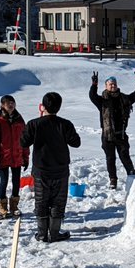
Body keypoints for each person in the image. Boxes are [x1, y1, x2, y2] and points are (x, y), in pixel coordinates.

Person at [19, 92, 82, 242]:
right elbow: (76, 142)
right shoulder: (65, 124)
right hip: (60, 170)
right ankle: (54, 233)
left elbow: (23, 142)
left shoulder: (34, 123)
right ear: (59, 107)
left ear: (43, 106)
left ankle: (42, 234)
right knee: (58, 202)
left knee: (41, 200)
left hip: (41, 170)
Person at [90, 70, 135, 189]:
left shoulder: (123, 99)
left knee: (125, 156)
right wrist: (94, 85)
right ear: (106, 86)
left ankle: (131, 174)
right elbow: (92, 96)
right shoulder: (102, 101)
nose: (113, 86)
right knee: (110, 158)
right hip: (107, 135)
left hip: (121, 134)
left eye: (114, 83)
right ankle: (113, 179)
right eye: (110, 84)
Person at [0, 95, 29, 218]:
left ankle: (14, 205)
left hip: (16, 155)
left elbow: (24, 139)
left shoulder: (19, 120)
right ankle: (3, 205)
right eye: (8, 103)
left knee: (16, 181)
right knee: (3, 181)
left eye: (12, 103)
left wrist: (26, 157)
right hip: (3, 156)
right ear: (2, 105)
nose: (11, 105)